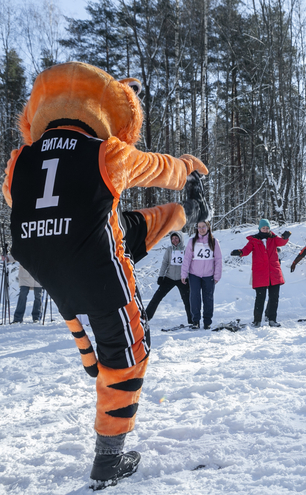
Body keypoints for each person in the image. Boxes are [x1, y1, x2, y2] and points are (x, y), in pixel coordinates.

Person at [2, 62, 208, 487]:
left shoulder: (19, 159)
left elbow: (14, 196)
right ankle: (109, 461)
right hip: (91, 261)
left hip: (42, 256)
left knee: (130, 224)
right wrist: (186, 167)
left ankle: (185, 215)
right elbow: (157, 169)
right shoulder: (105, 150)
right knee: (130, 350)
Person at [231, 220, 291, 327]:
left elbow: (281, 242)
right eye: (263, 228)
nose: (266, 230)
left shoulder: (273, 238)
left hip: (273, 272)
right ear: (259, 229)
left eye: (267, 228)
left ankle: (272, 320)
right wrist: (240, 252)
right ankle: (257, 321)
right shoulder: (254, 240)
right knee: (260, 298)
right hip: (260, 272)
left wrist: (285, 237)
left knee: (274, 298)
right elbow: (246, 250)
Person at [181, 221, 222, 329]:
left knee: (208, 298)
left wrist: (217, 275)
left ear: (208, 227)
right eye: (199, 227)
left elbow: (218, 259)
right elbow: (187, 259)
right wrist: (184, 274)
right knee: (194, 298)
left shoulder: (214, 242)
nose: (201, 229)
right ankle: (195, 321)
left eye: (203, 227)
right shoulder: (192, 241)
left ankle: (207, 321)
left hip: (209, 275)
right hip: (194, 274)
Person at [145, 231, 193, 324]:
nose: (174, 240)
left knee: (187, 300)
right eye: (173, 238)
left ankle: (192, 321)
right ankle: (146, 317)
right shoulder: (169, 250)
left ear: (180, 239)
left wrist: (189, 277)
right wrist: (161, 276)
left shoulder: (186, 250)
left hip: (182, 279)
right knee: (157, 297)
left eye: (176, 238)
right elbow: (165, 263)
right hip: (169, 277)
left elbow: (189, 264)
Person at [3, 255, 44, 323]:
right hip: (25, 276)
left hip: (37, 275)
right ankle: (18, 318)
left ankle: (36, 317)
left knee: (38, 296)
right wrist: (7, 258)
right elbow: (17, 254)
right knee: (23, 295)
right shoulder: (25, 245)